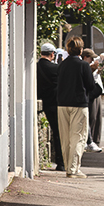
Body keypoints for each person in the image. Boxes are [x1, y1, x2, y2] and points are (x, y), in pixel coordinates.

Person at [56, 37, 95, 177]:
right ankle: (73, 169)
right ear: (80, 49)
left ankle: (68, 167)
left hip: (62, 103)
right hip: (79, 104)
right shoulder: (83, 65)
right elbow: (90, 85)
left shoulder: (62, 65)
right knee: (78, 137)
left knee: (65, 138)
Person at [37, 42, 65, 171]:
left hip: (45, 103)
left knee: (55, 131)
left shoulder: (36, 67)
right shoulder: (56, 69)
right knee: (59, 133)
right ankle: (61, 162)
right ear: (52, 54)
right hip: (56, 103)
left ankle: (60, 161)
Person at [81, 47, 104, 151]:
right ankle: (88, 141)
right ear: (85, 57)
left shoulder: (89, 64)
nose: (92, 61)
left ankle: (93, 140)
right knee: (90, 118)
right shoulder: (84, 66)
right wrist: (93, 71)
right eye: (90, 58)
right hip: (87, 94)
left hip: (94, 92)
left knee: (95, 118)